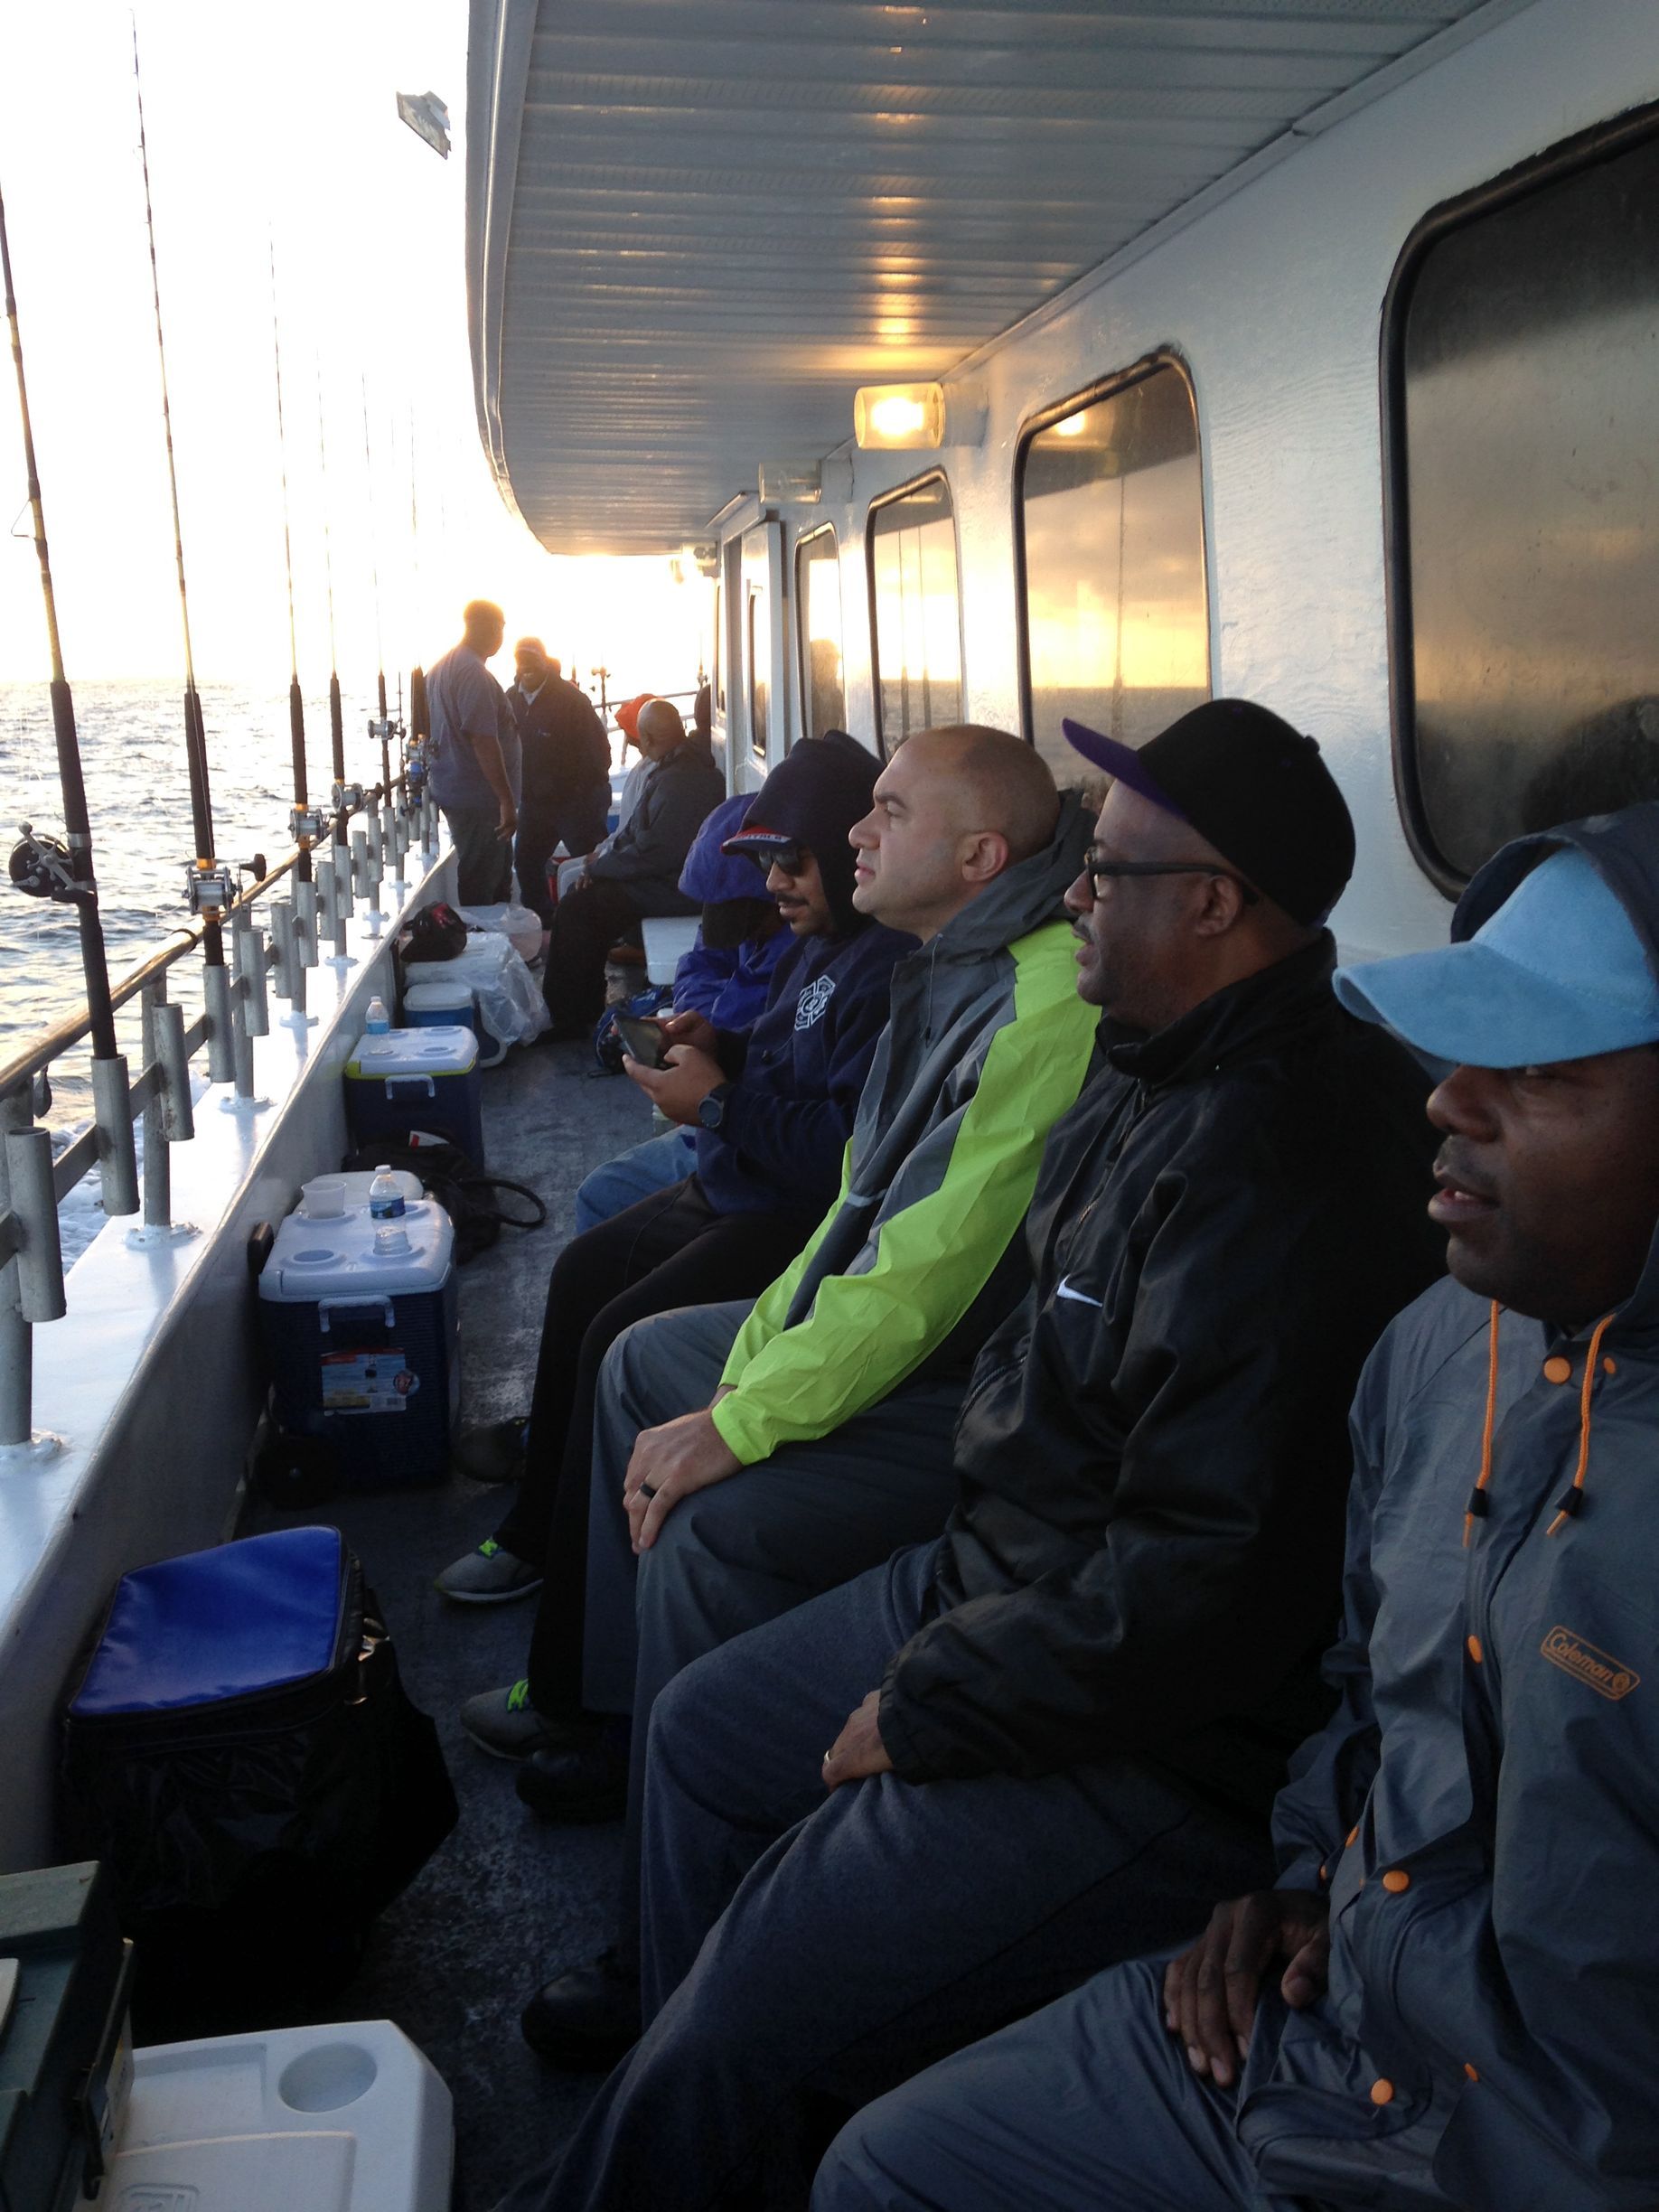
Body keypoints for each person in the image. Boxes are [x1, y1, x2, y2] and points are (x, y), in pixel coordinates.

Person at [488, 699, 1446, 2212]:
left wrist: (934, 1696)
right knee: (700, 1736)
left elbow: (1201, 1586)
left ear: (1210, 904)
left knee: (761, 1977)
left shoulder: (1284, 1168)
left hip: (1139, 1729)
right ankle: (701, 2085)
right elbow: (1012, 1347)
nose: (1073, 895)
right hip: (1000, 1579)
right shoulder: (1149, 1062)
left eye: (1107, 873)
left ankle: (715, 2073)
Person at [811, 801, 1659, 2212]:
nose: (1451, 1098)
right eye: (1462, 1046)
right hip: (1322, 2036)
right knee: (889, 2169)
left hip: (1537, 2156)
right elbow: (1366, 1680)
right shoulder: (1440, 1348)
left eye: (1543, 1068)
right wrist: (1313, 1874)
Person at [503, 724, 1100, 2063]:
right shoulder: (951, 969)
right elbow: (851, 1216)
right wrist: (741, 1375)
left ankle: (679, 1961)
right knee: (641, 1359)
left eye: (886, 813)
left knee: (713, 1524)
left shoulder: (1040, 999)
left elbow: (927, 1269)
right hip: (909, 1342)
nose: (857, 838)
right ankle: (618, 1720)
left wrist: (749, 1418)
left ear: (978, 856)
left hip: (970, 1384)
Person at [440, 733, 913, 1612]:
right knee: (582, 1272)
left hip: (789, 1221)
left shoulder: (887, 971)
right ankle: (539, 1528)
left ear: (856, 848)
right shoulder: (820, 943)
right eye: (766, 859)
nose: (773, 883)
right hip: (740, 1185)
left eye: (794, 858)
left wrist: (720, 1105)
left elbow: (855, 1154)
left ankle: (576, 1629)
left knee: (616, 1331)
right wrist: (720, 1045)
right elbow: (787, 1057)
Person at [575, 792, 790, 1235]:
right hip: (724, 1108)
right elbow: (700, 962)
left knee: (601, 1195)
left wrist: (714, 1086)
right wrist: (704, 1027)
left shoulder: (813, 953)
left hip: (748, 1137)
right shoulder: (744, 918)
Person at [543, 698, 724, 1036]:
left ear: (649, 740)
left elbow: (655, 853)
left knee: (578, 910)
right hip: (664, 878)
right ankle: (580, 1008)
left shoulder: (681, 781)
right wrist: (600, 864)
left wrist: (599, 871)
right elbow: (634, 833)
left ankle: (571, 1018)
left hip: (677, 889)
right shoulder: (674, 768)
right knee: (585, 904)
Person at [508, 638, 613, 925]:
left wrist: (581, 789)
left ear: (544, 661)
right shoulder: (510, 698)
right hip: (533, 803)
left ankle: (600, 921)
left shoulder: (572, 699)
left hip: (574, 803)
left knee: (593, 862)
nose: (527, 665)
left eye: (532, 658)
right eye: (521, 659)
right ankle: (544, 921)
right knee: (526, 862)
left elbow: (599, 751)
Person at [426, 599, 520, 904]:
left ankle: (497, 943)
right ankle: (482, 942)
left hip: (457, 792)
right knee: (484, 885)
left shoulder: (440, 668)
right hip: (480, 801)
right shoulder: (473, 674)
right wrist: (506, 800)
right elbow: (482, 740)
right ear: (489, 627)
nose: (502, 636)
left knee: (494, 876)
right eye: (501, 627)